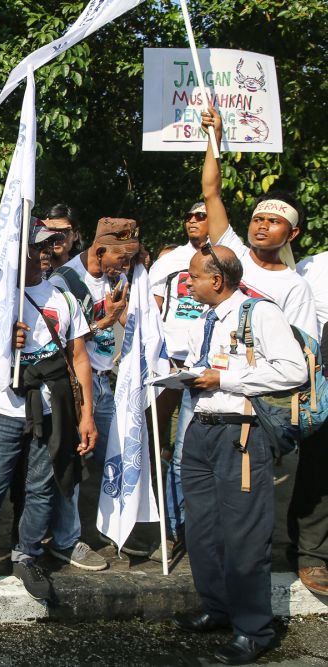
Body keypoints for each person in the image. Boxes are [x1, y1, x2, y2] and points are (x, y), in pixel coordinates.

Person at [200, 106, 324, 596]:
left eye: (274, 222)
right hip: (211, 395)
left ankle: (246, 595)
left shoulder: (294, 286)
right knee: (209, 492)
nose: (261, 226)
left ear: (291, 235)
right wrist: (214, 137)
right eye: (258, 218)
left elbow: (298, 358)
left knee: (247, 497)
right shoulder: (227, 253)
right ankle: (214, 582)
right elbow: (212, 191)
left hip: (256, 404)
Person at [0, 218, 96, 600]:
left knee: (40, 489)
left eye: (47, 247)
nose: (43, 254)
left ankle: (26, 555)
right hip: (4, 410)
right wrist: (2, 342)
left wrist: (87, 414)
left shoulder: (62, 297)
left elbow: (79, 358)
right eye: (35, 247)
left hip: (52, 412)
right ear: (17, 251)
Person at [174, 244, 306, 665]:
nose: (187, 283)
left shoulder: (258, 312)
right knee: (202, 529)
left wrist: (224, 378)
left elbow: (292, 369)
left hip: (240, 434)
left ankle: (254, 630)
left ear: (217, 280)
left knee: (245, 536)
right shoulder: (206, 317)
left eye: (193, 277)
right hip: (201, 430)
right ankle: (217, 606)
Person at [47, 216, 138, 566]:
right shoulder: (64, 282)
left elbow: (129, 321)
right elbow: (61, 344)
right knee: (71, 460)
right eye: (121, 258)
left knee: (108, 457)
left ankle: (108, 526)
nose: (125, 266)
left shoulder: (119, 276)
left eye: (130, 259)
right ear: (100, 251)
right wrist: (105, 321)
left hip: (105, 381)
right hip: (73, 382)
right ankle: (67, 539)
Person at [147, 202, 217, 559]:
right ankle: (169, 529)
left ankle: (195, 528)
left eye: (200, 216)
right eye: (188, 215)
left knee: (192, 451)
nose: (192, 220)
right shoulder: (170, 260)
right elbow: (150, 310)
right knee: (159, 446)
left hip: (209, 369)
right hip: (169, 364)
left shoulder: (230, 258)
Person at [40, 203, 83, 275]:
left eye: (64, 232)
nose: (57, 237)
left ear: (75, 235)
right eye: (52, 231)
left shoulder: (82, 272)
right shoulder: (33, 271)